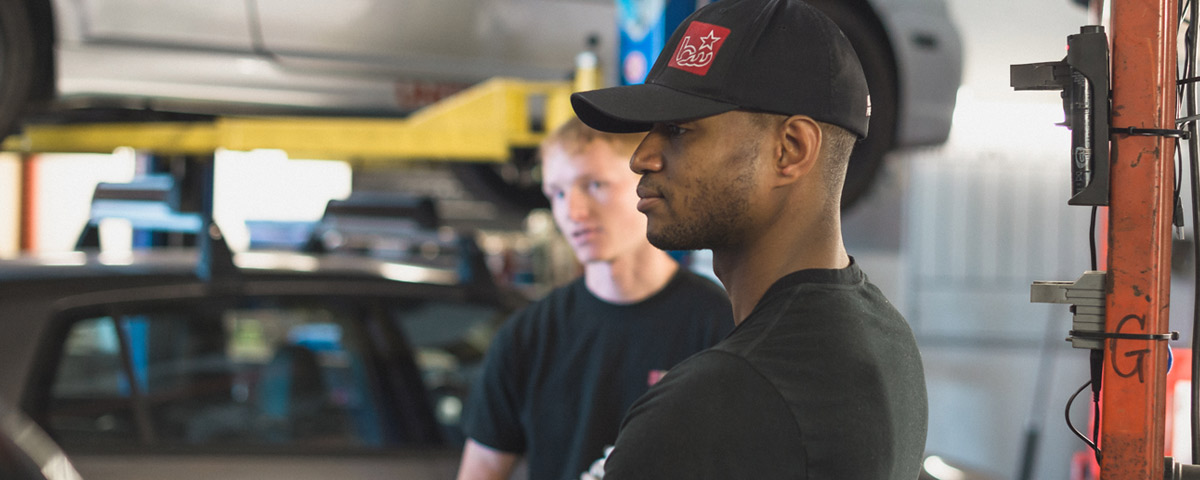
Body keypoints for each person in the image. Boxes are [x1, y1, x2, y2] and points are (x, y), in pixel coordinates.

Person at [569, 0, 928, 478]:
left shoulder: (717, 401)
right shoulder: (887, 338)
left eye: (678, 129)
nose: (642, 157)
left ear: (791, 150)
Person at [456, 117, 734, 480]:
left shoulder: (722, 328)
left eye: (595, 184)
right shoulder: (526, 338)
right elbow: (483, 470)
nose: (573, 212)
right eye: (557, 192)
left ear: (650, 184)